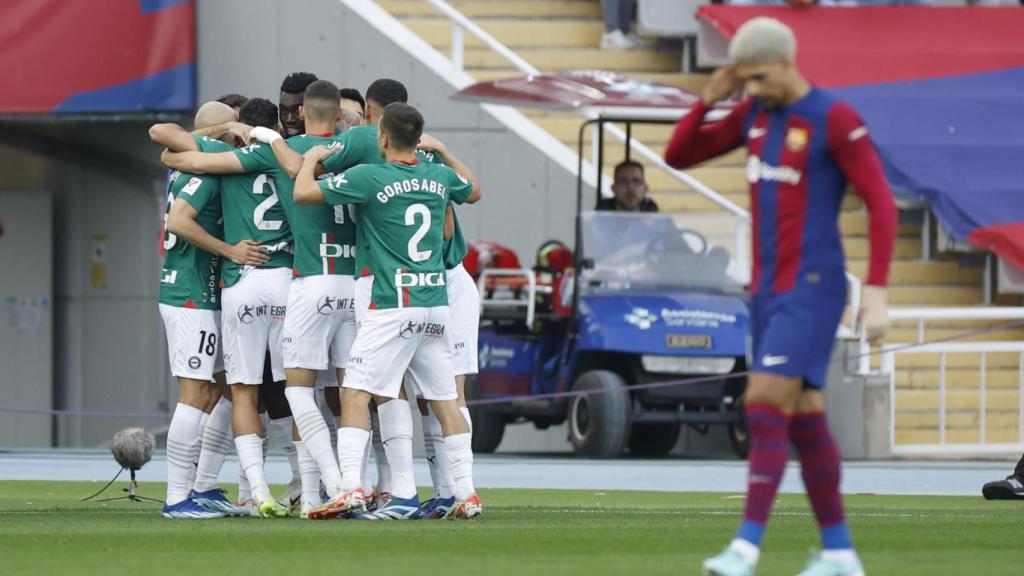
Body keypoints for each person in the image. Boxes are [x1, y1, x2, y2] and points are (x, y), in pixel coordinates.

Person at [664, 17, 897, 576]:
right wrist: (707, 100)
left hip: (813, 288)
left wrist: (880, 290)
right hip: (767, 292)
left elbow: (881, 202)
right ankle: (840, 553)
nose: (754, 90)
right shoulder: (752, 114)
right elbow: (678, 155)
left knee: (762, 403)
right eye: (745, 80)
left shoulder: (834, 119)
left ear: (787, 63)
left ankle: (746, 548)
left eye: (760, 78)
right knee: (805, 419)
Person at [296, 103, 483, 521]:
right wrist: (446, 153)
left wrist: (310, 159)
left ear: (382, 137)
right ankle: (466, 493)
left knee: (355, 393)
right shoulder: (437, 176)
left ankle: (350, 489)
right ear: (419, 140)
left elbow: (303, 193)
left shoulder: (369, 176)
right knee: (446, 400)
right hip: (435, 305)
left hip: (393, 305)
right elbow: (473, 189)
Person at [161, 98, 295, 518]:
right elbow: (178, 222)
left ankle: (202, 487)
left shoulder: (200, 161)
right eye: (233, 127)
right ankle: (176, 497)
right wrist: (229, 250)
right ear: (221, 130)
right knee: (197, 392)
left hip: (206, 292)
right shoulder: (204, 170)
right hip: (190, 292)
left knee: (219, 390)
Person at [279, 72, 319, 138]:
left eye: (297, 111)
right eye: (284, 111)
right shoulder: (272, 144)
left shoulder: (335, 143)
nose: (289, 120)